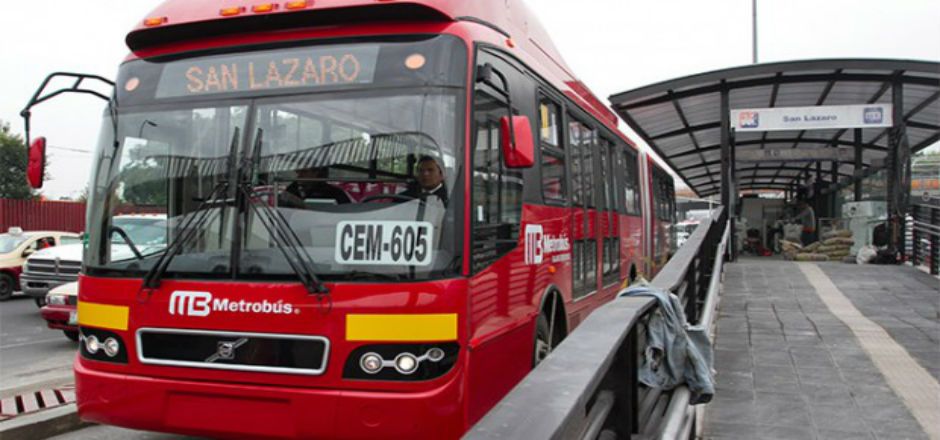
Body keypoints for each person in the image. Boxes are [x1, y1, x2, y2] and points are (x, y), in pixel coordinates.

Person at [281, 167, 351, 207]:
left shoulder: (334, 193)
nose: (299, 175)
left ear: (315, 173)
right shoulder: (291, 189)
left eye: (304, 172)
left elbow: (347, 212)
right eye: (298, 172)